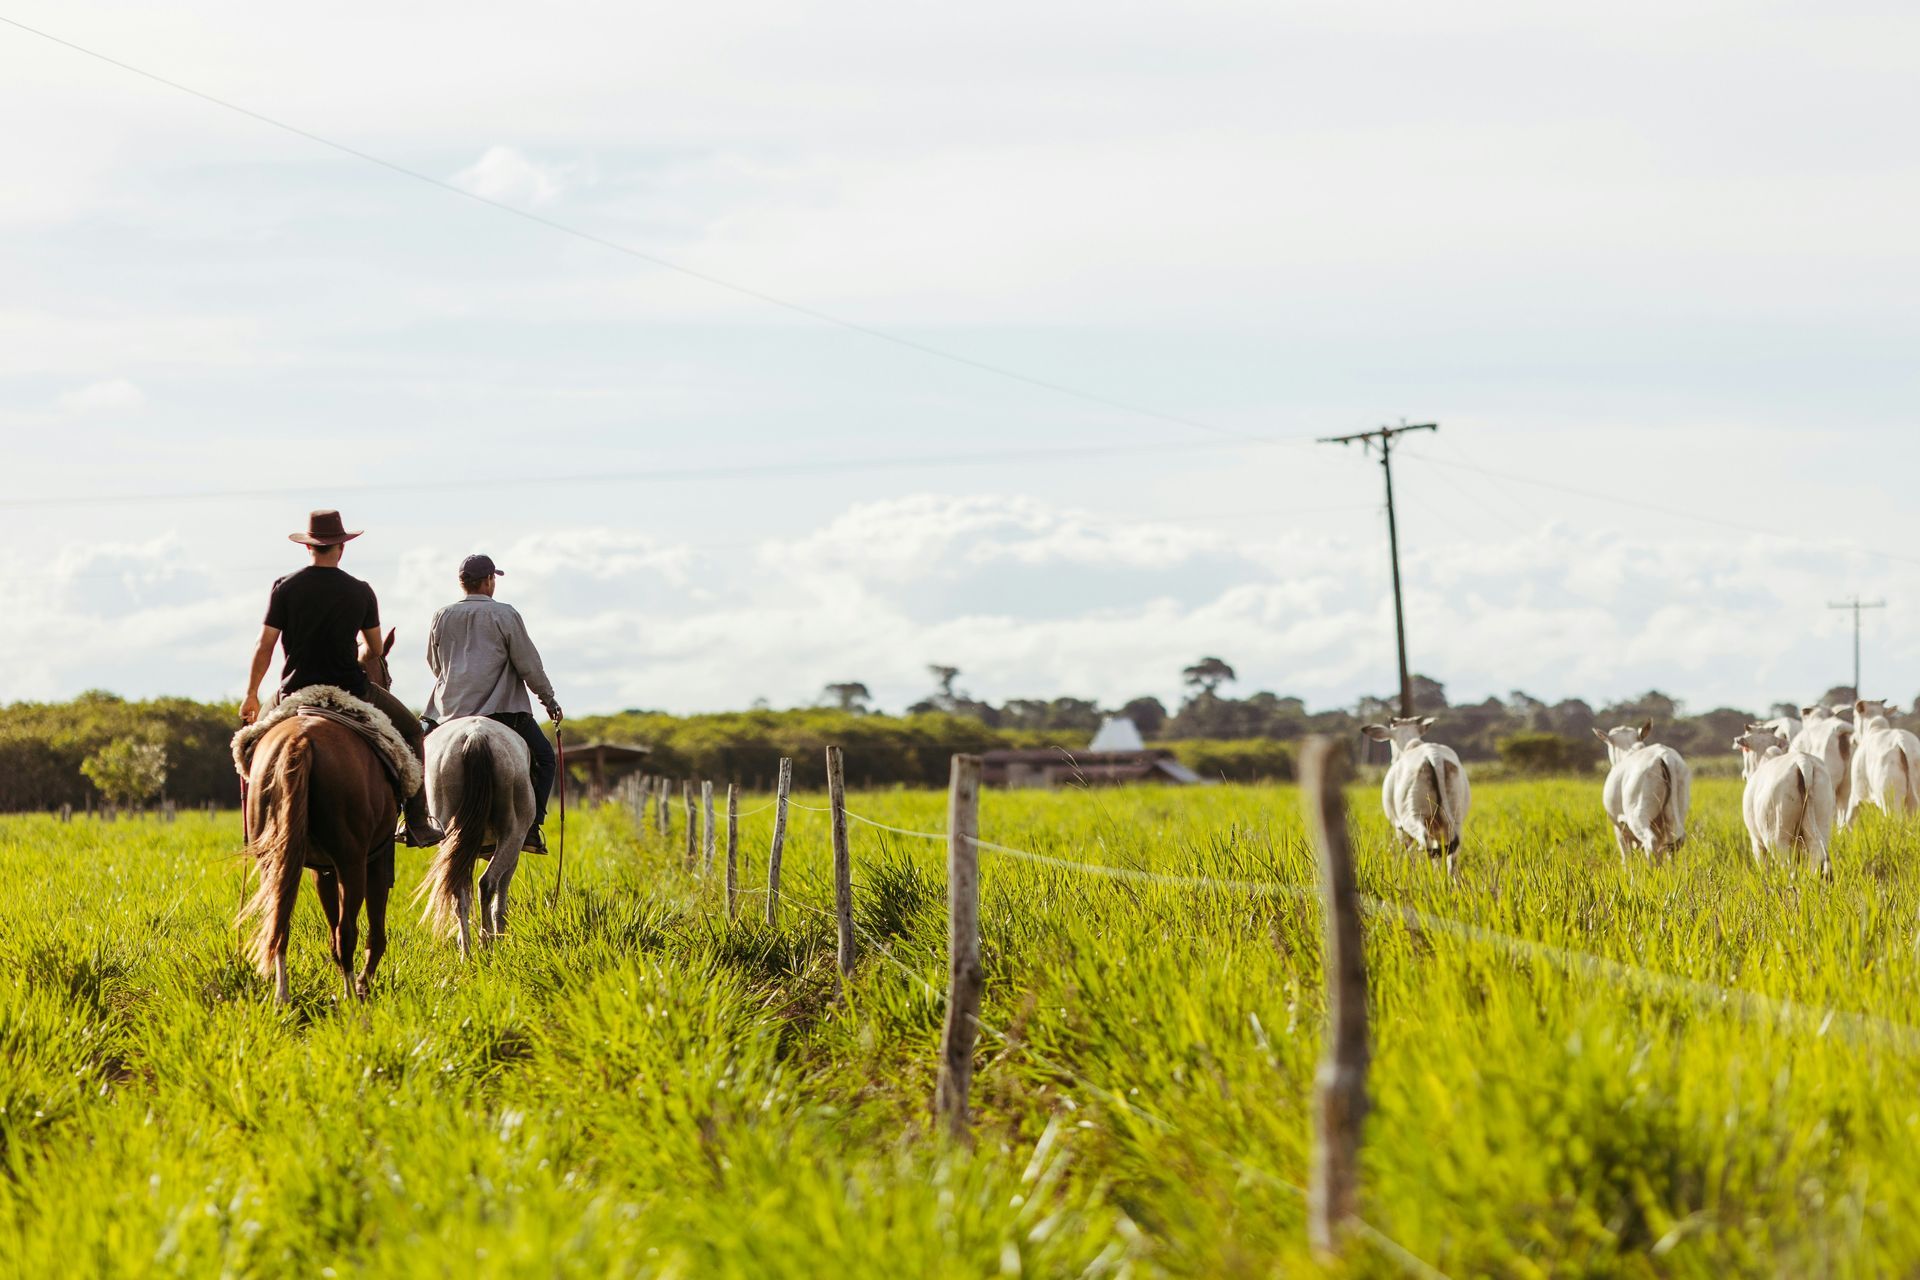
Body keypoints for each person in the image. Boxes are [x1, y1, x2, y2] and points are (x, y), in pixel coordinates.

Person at [239, 509, 444, 847]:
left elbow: (264, 646)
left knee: (252, 744)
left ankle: (255, 826)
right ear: (342, 548)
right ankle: (418, 821)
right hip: (351, 689)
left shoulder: (284, 587)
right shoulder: (360, 591)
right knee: (410, 729)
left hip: (294, 692)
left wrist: (251, 694)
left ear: (308, 548)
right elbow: (376, 648)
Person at [422, 554, 563, 853]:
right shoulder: (505, 614)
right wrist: (548, 700)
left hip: (449, 712)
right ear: (488, 581)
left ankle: (412, 820)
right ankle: (531, 827)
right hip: (504, 713)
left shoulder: (442, 615)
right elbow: (529, 666)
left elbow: (434, 664)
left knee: (412, 757)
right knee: (546, 758)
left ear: (462, 583)